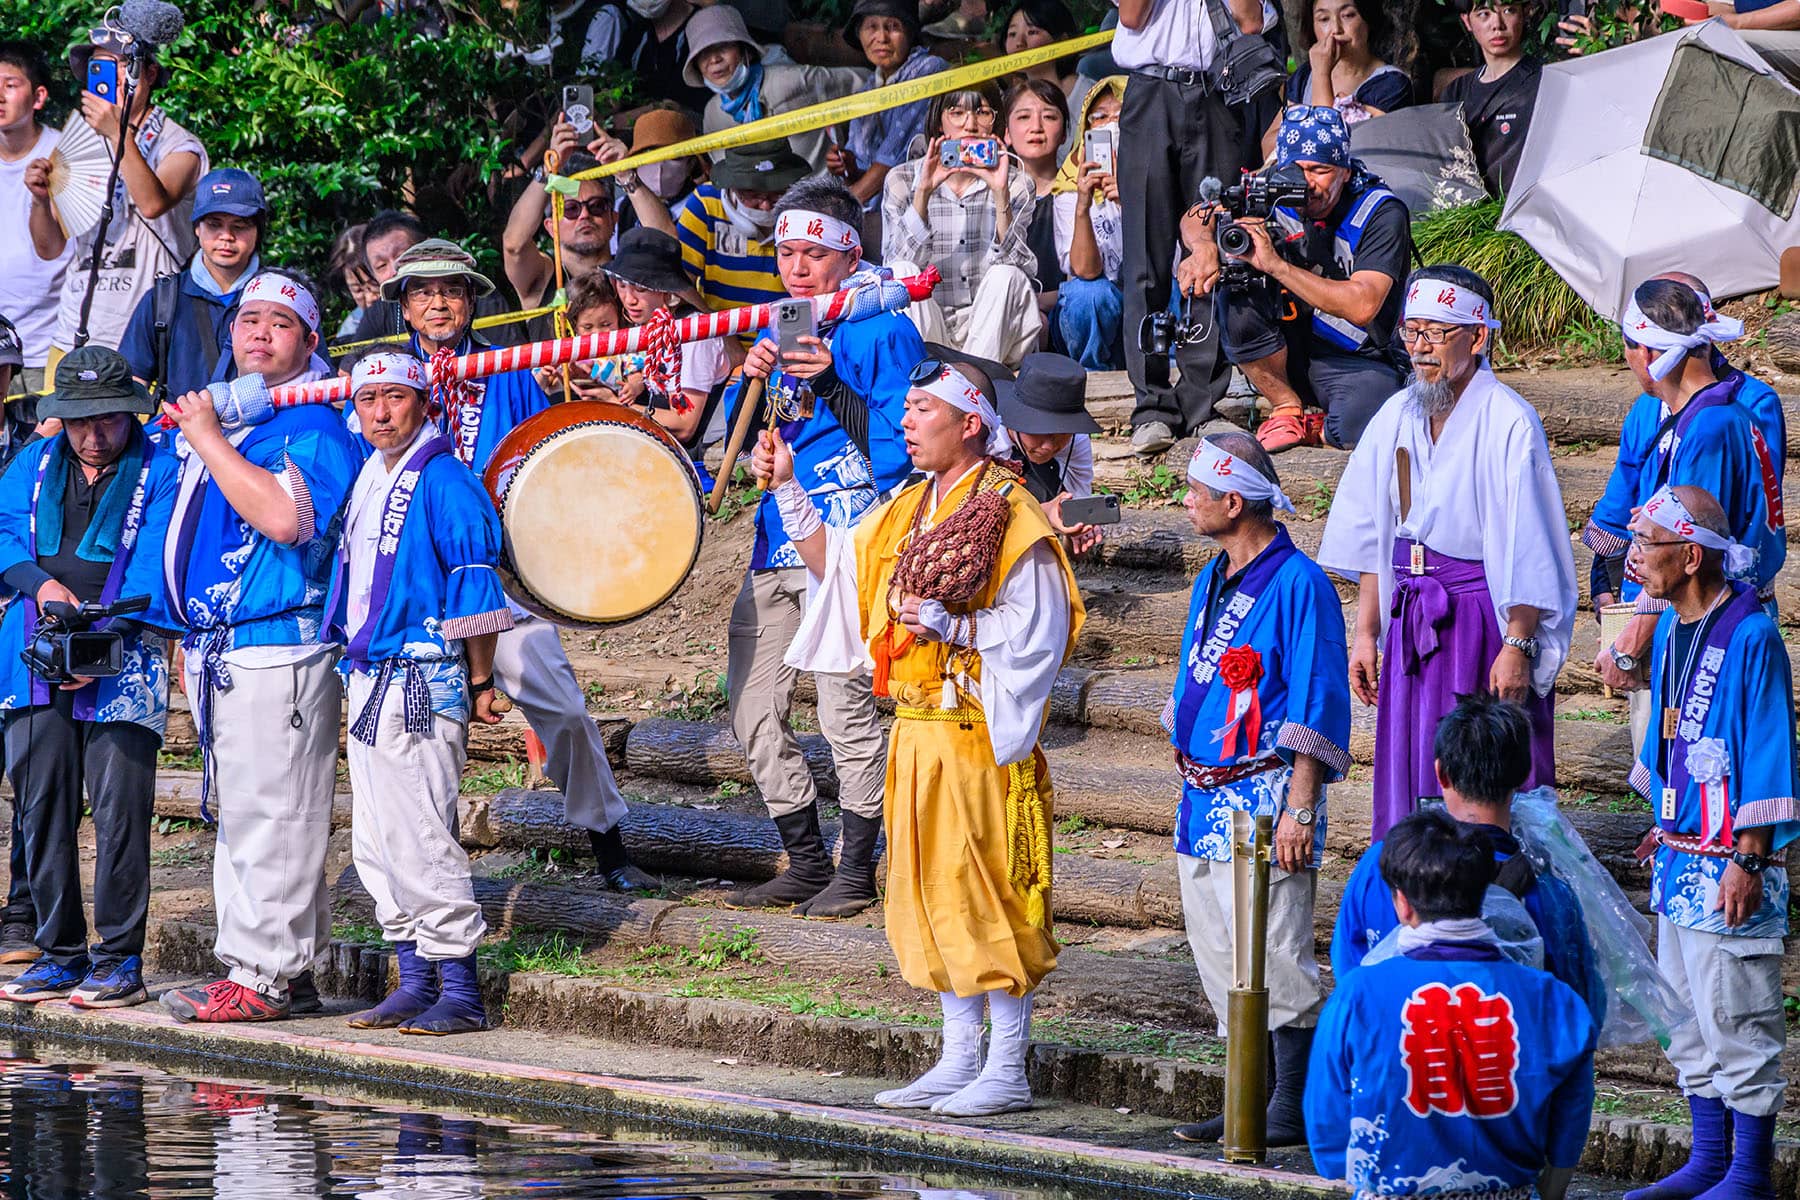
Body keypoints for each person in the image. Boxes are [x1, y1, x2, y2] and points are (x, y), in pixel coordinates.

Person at [754, 360, 1084, 1117]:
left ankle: (1006, 1066)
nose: (905, 421)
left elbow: (1040, 632)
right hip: (914, 732)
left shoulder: (1012, 512)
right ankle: (958, 1053)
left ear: (970, 423)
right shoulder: (906, 508)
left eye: (922, 408)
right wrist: (786, 488)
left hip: (974, 732)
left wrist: (957, 623)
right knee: (925, 892)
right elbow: (839, 571)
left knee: (988, 891)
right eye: (903, 407)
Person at [379, 238, 659, 893]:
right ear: (406, 309)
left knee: (559, 703)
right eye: (423, 292)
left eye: (452, 290)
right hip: (416, 581)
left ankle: (609, 845)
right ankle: (421, 865)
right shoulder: (384, 381)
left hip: (504, 571)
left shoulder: (510, 370)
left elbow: (547, 460)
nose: (439, 302)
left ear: (474, 301)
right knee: (418, 725)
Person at [157, 273, 363, 1023]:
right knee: (249, 811)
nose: (259, 333)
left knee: (276, 812)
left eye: (281, 324)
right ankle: (284, 967)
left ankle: (264, 977)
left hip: (282, 639)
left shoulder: (318, 423)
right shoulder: (244, 418)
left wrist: (205, 438)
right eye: (248, 319)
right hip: (224, 644)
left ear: (311, 341)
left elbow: (285, 518)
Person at [1318, 265, 1575, 839]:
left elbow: (1528, 540)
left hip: (1479, 617)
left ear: (1478, 338)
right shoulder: (1397, 413)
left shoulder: (1510, 420)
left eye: (1437, 332)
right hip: (1409, 612)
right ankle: (1417, 896)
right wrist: (1366, 631)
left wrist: (1518, 643)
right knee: (1412, 773)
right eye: (1412, 333)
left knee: (1475, 772)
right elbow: (1371, 529)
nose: (1420, 348)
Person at [722, 177, 917, 916]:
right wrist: (761, 389)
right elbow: (774, 441)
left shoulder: (882, 325)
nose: (796, 266)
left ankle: (856, 866)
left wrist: (831, 381)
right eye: (785, 252)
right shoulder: (783, 323)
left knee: (844, 713)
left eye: (812, 252)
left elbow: (903, 450)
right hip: (779, 535)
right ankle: (805, 857)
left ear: (849, 252)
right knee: (751, 707)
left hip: (852, 535)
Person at [1163, 432, 1351, 1149]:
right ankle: (1249, 1088)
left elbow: (1317, 695)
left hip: (1267, 794)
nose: (1185, 503)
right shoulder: (1215, 575)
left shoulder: (1299, 583)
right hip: (1204, 794)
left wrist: (1300, 806)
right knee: (1217, 948)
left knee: (1274, 946)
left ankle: (1289, 1104)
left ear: (1233, 501)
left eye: (1196, 493)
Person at [1618, 484, 1797, 1200]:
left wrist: (1749, 858)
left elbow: (1765, 749)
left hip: (1730, 859)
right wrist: (1663, 818)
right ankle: (1711, 1159)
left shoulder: (1751, 634)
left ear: (1690, 556)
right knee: (1686, 1012)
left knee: (1735, 1008)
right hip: (1682, 852)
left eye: (1646, 548)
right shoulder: (1671, 629)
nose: (1635, 561)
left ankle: (1748, 1175)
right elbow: (1673, 732)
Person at [329, 351, 511, 1036]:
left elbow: (475, 584)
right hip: (371, 675)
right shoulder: (372, 474)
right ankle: (416, 976)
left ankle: (460, 988)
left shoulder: (444, 478)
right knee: (376, 841)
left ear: (423, 403)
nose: (380, 411)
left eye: (395, 398)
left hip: (419, 678)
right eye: (368, 397)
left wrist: (482, 679)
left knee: (423, 834)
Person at [0, 347, 178, 1009]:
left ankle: (119, 960)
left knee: (120, 812)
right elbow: (2, 530)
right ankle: (58, 953)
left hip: (125, 647)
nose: (93, 435)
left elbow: (161, 557)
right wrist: (41, 585)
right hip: (34, 645)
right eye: (79, 421)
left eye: (107, 419)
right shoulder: (38, 460)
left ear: (129, 413)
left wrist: (101, 637)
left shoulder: (161, 464)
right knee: (40, 806)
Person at [1305, 809, 1597, 1200]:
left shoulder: (1357, 994)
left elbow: (1327, 1128)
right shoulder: (1553, 999)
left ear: (1402, 904)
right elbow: (1569, 1124)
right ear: (1483, 895)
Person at [1587, 277, 1785, 754]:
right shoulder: (1705, 416)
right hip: (1705, 621)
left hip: (1715, 628)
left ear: (1652, 355)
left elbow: (1687, 553)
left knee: (1708, 778)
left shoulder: (1712, 427)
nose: (1627, 359)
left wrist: (1628, 644)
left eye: (1630, 347)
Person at [1331, 694, 1604, 1021]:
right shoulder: (1548, 888)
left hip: (1395, 1058)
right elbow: (1581, 1010)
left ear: (1440, 773)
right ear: (1522, 776)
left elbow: (1347, 969)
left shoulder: (1380, 864)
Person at [1189, 105, 1411, 452]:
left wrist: (1277, 265)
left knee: (1365, 427)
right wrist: (1202, 247)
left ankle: (1317, 427)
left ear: (1346, 171)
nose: (1307, 183)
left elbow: (1363, 305)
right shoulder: (1270, 191)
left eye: (1321, 170)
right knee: (1236, 288)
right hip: (1286, 346)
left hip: (1356, 353)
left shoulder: (1381, 211)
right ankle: (1285, 406)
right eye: (1297, 170)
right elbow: (1197, 212)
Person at [1113, 0, 1264, 459]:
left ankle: (1202, 402)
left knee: (1215, 246)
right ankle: (1152, 405)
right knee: (1146, 255)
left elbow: (1251, 21)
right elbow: (1133, 16)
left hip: (1220, 93)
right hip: (1150, 93)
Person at [26, 36, 205, 357]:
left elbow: (152, 204)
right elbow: (50, 247)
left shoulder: (178, 143)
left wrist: (115, 132)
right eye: (101, 67)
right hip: (72, 337)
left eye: (122, 65)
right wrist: (40, 199)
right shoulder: (78, 145)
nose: (113, 76)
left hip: (144, 339)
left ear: (150, 73)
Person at [882, 87, 1043, 368]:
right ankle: (927, 376)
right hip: (928, 324)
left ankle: (976, 386)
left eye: (982, 112)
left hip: (993, 330)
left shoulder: (1017, 183)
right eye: (957, 113)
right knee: (903, 273)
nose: (970, 125)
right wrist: (923, 192)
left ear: (996, 121)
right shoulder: (903, 179)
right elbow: (895, 268)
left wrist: (999, 191)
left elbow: (1020, 271)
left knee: (1007, 276)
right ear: (938, 123)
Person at [118, 168, 268, 404]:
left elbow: (313, 375)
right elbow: (131, 383)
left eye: (239, 226)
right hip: (181, 436)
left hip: (267, 436)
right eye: (214, 224)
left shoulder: (280, 297)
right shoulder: (163, 300)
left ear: (258, 230)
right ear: (197, 228)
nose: (226, 236)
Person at [685, 6, 866, 174]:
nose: (714, 59)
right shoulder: (712, 113)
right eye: (703, 54)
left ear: (746, 51)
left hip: (819, 195)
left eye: (723, 47)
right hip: (757, 205)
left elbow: (863, 82)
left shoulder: (789, 81)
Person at [607, 228, 736, 462]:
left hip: (692, 460)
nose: (629, 299)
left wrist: (612, 407)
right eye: (622, 285)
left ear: (666, 290)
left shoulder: (694, 333)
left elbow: (685, 425)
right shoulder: (644, 325)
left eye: (641, 288)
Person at [833, 0, 950, 238]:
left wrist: (843, 206)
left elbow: (895, 154)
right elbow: (866, 167)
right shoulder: (866, 91)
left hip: (921, 212)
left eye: (893, 27)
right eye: (871, 27)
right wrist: (848, 166)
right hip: (879, 218)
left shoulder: (928, 70)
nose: (882, 37)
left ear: (910, 33)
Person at [0, 41, 69, 395]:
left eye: (10, 85)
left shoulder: (63, 155)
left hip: (51, 345)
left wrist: (40, 199)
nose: (0, 96)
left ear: (38, 97)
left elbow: (53, 247)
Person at [1259, 0, 1411, 160]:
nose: (1336, 29)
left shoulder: (1391, 83)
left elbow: (1326, 147)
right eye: (1324, 19)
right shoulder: (1305, 76)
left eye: (1348, 15)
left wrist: (1321, 74)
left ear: (1368, 20)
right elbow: (1269, 145)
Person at [345, 210, 522, 348]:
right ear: (405, 306)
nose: (395, 270)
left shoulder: (484, 302)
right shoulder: (378, 313)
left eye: (452, 291)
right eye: (381, 266)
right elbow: (350, 371)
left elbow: (512, 361)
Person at [674, 140, 807, 313]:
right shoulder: (705, 204)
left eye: (778, 194)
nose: (765, 206)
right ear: (733, 188)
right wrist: (720, 334)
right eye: (753, 195)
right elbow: (680, 283)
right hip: (718, 331)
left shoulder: (808, 207)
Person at [1049, 77, 1125, 370]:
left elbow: (1167, 258)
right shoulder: (1071, 181)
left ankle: (1173, 370)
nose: (1112, 124)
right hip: (1099, 310)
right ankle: (1094, 373)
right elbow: (1086, 271)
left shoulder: (1160, 172)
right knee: (1089, 293)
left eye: (1122, 115)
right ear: (1086, 128)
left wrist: (1133, 198)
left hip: (1145, 302)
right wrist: (1083, 204)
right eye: (1101, 116)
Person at [996, 352, 1103, 553]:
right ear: (1016, 419)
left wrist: (1076, 528)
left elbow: (1079, 497)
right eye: (1039, 432)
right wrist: (1042, 513)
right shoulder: (984, 434)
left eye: (1060, 435)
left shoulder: (1075, 439)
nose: (1048, 446)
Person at [503, 139, 617, 325]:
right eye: (571, 209)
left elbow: (670, 243)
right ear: (550, 226)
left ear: (614, 218)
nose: (584, 215)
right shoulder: (542, 275)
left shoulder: (629, 273)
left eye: (596, 206)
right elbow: (514, 245)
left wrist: (627, 174)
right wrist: (548, 171)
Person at [1438, 0, 1543, 196]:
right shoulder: (1455, 92)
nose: (1497, 25)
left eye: (1508, 10)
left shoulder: (1544, 81)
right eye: (1484, 14)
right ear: (1467, 22)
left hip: (1528, 207)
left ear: (1524, 14)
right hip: (1472, 213)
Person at [1000, 80, 1069, 343]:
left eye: (1049, 116)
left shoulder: (1076, 190)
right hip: (1014, 317)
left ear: (1064, 132)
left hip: (1068, 313)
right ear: (1006, 132)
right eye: (1024, 116)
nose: (1036, 127)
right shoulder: (993, 194)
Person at [999, 0, 1082, 94]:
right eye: (1012, 34)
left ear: (1062, 40)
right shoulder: (1016, 98)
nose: (1019, 42)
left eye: (1032, 32)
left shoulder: (1087, 94)